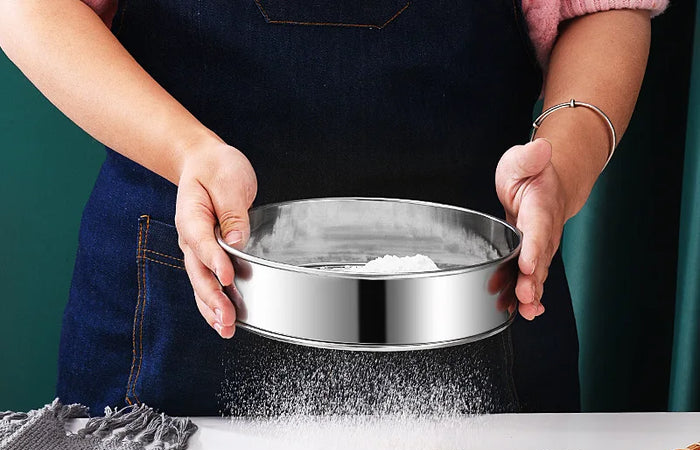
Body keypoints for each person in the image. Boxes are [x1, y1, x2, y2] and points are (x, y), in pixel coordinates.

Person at [0, 1, 663, 417]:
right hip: (182, 287)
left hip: (471, 295)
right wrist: (186, 152)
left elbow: (601, 9)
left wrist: (565, 164)